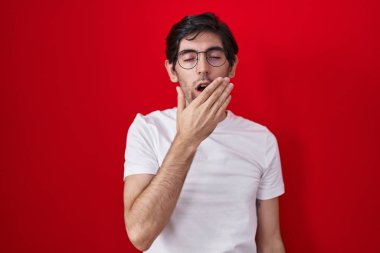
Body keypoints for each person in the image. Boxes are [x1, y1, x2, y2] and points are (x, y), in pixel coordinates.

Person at [123, 12, 286, 253]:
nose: (203, 69)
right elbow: (139, 235)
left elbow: (270, 242)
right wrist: (187, 140)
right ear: (172, 71)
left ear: (232, 67)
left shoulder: (262, 140)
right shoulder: (148, 129)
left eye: (215, 57)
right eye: (188, 58)